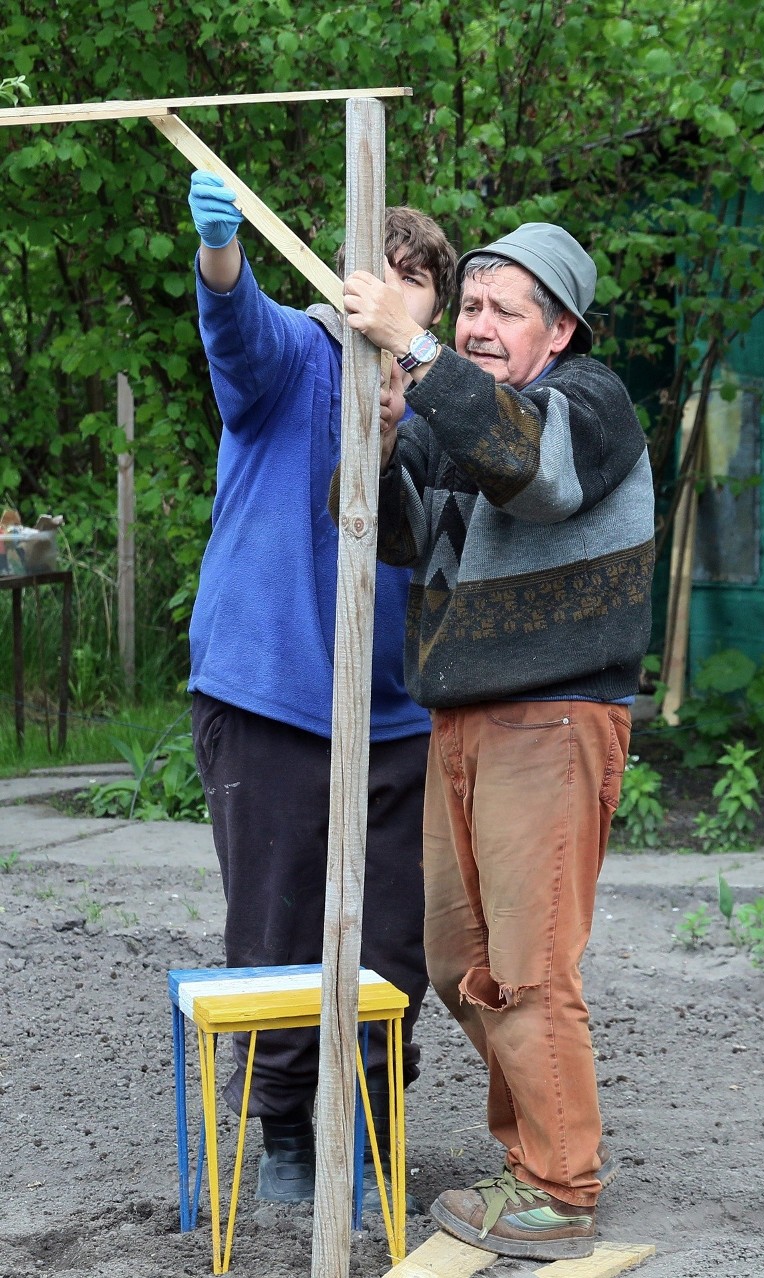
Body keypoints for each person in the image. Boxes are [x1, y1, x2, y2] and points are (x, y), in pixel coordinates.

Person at [339, 223, 655, 1261]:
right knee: (456, 960)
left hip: (554, 714)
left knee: (525, 966)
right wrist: (385, 433)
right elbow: (389, 534)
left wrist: (419, 359)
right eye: (467, 308)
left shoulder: (593, 404)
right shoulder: (456, 418)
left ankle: (560, 1189)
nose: (475, 326)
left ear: (558, 329)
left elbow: (538, 470)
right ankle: (532, 1162)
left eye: (501, 311)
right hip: (461, 716)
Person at [185, 170, 457, 1206]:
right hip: (272, 695)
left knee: (397, 937)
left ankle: (373, 1122)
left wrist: (401, 411)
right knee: (280, 927)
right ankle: (288, 1132)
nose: (397, 303)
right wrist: (221, 253)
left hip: (398, 714)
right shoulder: (297, 356)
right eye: (385, 280)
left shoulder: (434, 400)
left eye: (418, 291)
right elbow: (234, 329)